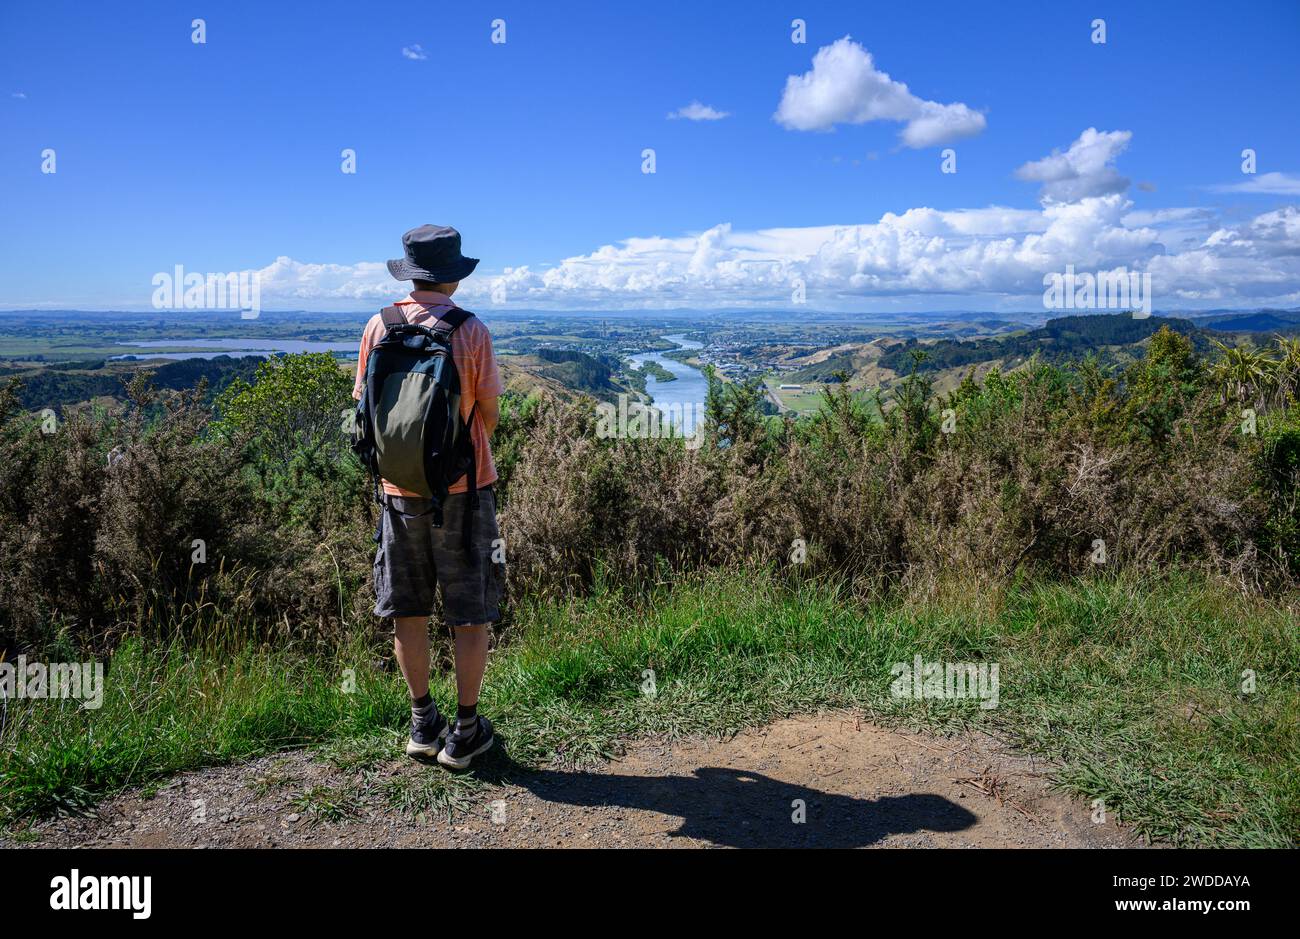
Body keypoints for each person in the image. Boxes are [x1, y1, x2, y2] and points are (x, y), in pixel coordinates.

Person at [353, 224, 505, 769]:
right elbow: (487, 415)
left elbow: (366, 411)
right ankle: (465, 732)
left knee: (408, 610)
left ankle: (423, 723)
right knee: (469, 614)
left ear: (411, 271)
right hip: (463, 489)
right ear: (453, 276)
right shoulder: (471, 331)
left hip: (397, 490)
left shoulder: (379, 325)